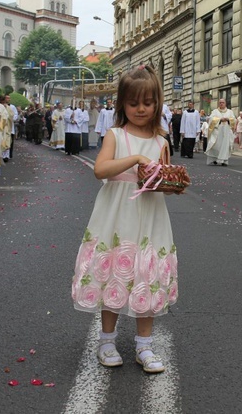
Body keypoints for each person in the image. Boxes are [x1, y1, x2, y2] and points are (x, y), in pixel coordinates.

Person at [71, 64, 176, 374]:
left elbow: (165, 183)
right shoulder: (115, 135)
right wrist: (136, 159)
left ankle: (144, 345)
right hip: (116, 215)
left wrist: (172, 185)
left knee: (147, 274)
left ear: (157, 103)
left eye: (147, 102)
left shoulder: (162, 141)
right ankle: (107, 340)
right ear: (121, 105)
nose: (141, 109)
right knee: (113, 273)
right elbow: (100, 170)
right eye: (133, 103)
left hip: (152, 215)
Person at [205, 99, 236, 166]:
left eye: (223, 102)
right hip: (217, 131)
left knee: (225, 146)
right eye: (220, 103)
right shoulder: (215, 111)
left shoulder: (230, 112)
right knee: (216, 145)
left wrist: (228, 119)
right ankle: (214, 159)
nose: (221, 104)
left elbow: (234, 119)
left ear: (225, 103)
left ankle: (224, 161)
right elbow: (211, 119)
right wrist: (219, 119)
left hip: (226, 131)